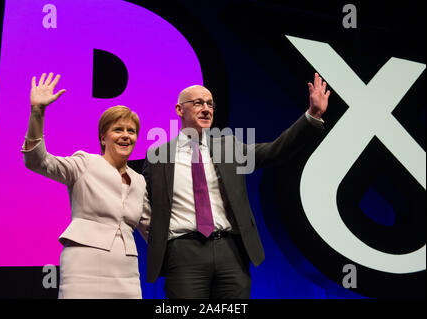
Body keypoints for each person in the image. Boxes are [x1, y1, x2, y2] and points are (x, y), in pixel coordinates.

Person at [142, 73, 330, 298]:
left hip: (230, 251)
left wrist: (312, 115)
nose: (206, 109)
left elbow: (274, 150)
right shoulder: (157, 156)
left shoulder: (229, 147)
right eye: (198, 103)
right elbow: (144, 203)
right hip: (183, 252)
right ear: (179, 110)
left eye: (210, 104)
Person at [22, 72, 150, 299]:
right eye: (118, 130)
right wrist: (37, 112)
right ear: (103, 137)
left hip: (127, 271)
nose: (126, 136)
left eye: (131, 131)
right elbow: (38, 161)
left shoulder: (139, 180)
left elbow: (151, 228)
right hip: (84, 265)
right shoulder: (85, 163)